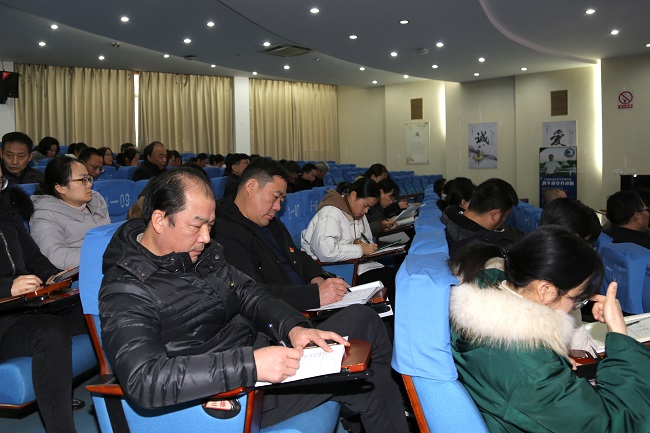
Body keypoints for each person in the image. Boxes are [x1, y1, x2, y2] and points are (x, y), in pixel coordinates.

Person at [98, 168, 409, 433]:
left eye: (210, 226)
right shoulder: (125, 287)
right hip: (227, 393)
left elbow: (250, 293)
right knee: (374, 386)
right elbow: (145, 379)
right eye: (196, 225)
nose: (206, 237)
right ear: (159, 220)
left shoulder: (202, 255)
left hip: (256, 357)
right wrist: (251, 365)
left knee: (364, 320)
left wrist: (293, 328)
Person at [448, 225, 650, 433]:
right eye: (577, 298)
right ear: (545, 290)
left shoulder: (479, 295)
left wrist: (551, 358)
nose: (575, 306)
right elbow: (618, 427)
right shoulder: (534, 374)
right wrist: (619, 334)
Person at [0, 165, 87, 433]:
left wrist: (52, 276)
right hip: (4, 317)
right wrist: (7, 287)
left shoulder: (6, 210)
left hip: (23, 306)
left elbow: (32, 255)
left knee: (94, 306)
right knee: (50, 332)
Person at [213, 158, 349, 311]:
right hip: (285, 316)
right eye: (275, 197)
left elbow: (298, 257)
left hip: (308, 304)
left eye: (281, 200)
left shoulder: (271, 223)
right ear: (251, 186)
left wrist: (317, 279)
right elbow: (250, 293)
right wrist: (314, 295)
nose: (278, 207)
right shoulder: (224, 231)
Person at [301, 177, 397, 301]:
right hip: (332, 270)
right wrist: (360, 249)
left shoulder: (358, 213)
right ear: (353, 195)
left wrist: (362, 245)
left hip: (354, 265)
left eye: (369, 207)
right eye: (365, 206)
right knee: (388, 280)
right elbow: (325, 252)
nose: (366, 211)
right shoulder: (330, 213)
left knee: (394, 276)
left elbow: (367, 241)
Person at [30, 156, 111, 269]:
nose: (89, 184)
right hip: (81, 272)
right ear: (60, 188)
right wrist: (106, 254)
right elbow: (55, 256)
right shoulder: (44, 214)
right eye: (82, 180)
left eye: (88, 178)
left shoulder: (96, 203)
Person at [442, 178, 521, 256]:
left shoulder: (449, 215)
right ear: (495, 215)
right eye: (506, 216)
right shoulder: (492, 248)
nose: (505, 220)